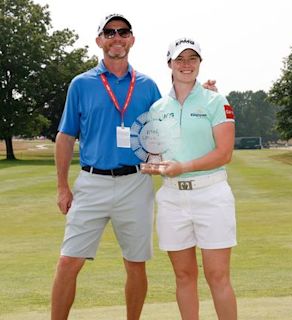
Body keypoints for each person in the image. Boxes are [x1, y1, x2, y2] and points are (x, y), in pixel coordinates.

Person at [51, 14, 217, 320]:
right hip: (91, 182)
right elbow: (65, 136)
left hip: (136, 183)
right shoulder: (81, 84)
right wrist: (62, 186)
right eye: (110, 32)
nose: (117, 38)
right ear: (99, 40)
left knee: (136, 263)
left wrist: (200, 92)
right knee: (68, 262)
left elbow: (170, 114)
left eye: (123, 32)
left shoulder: (146, 86)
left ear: (132, 39)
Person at [142, 37, 237, 320]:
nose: (186, 65)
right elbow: (156, 154)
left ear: (199, 63)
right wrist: (153, 165)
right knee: (183, 276)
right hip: (172, 197)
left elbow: (224, 153)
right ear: (169, 63)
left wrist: (182, 167)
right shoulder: (157, 108)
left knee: (217, 276)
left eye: (192, 59)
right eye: (180, 59)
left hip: (211, 194)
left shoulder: (216, 100)